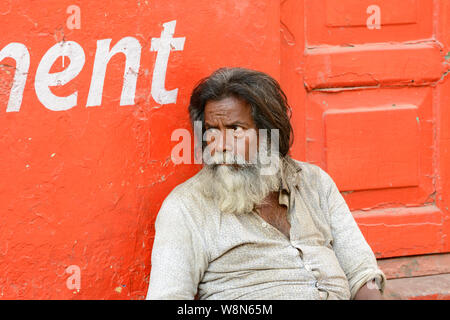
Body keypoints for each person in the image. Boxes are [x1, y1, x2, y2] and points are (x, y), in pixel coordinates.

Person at [146, 67, 386, 300]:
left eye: (235, 129)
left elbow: (362, 274)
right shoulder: (186, 206)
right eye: (212, 131)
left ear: (270, 132)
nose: (220, 146)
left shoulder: (314, 183)